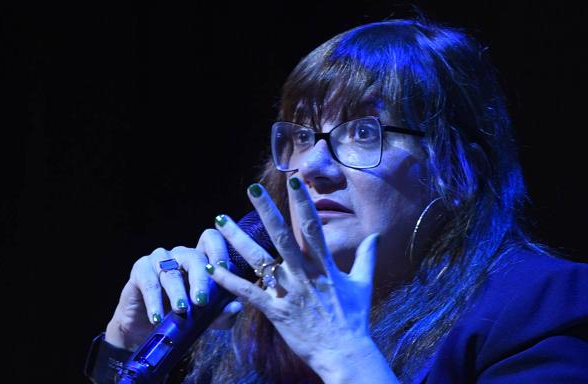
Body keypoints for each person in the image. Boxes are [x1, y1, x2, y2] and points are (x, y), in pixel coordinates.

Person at [85, 15, 588, 383]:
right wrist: (125, 349)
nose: (312, 167)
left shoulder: (542, 307)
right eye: (301, 136)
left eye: (362, 133)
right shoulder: (245, 330)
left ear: (458, 169)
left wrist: (346, 356)